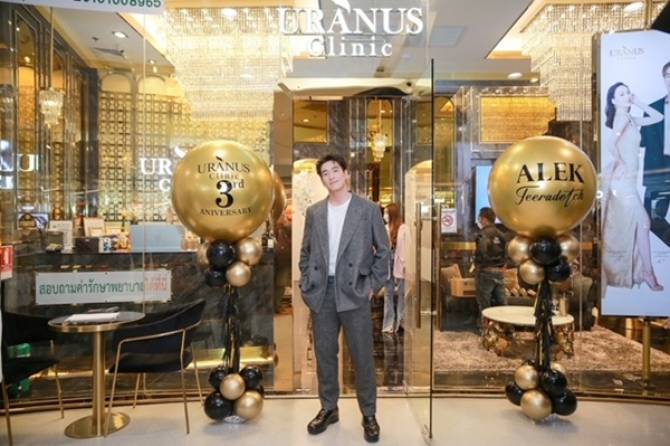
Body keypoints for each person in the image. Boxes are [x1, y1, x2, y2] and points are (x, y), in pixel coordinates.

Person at [299, 154, 389, 443]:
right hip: (322, 291)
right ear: (322, 179)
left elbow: (383, 251)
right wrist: (307, 282)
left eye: (335, 170)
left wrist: (372, 285)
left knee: (362, 356)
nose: (331, 176)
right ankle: (329, 408)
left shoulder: (367, 209)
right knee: (325, 354)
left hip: (354, 290)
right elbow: (305, 252)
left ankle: (369, 413)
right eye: (325, 173)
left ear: (346, 173)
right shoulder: (314, 212)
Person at [602, 82, 664, 291]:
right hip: (622, 184)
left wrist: (638, 102)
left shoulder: (629, 118)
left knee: (641, 225)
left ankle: (646, 272)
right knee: (644, 222)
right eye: (622, 94)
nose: (627, 95)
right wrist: (620, 162)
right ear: (613, 100)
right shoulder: (621, 119)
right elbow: (610, 143)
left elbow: (658, 117)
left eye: (628, 92)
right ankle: (648, 272)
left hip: (628, 182)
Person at [640, 61, 670, 247]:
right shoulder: (653, 110)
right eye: (668, 75)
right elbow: (642, 141)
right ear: (664, 79)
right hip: (659, 171)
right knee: (651, 217)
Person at [474, 207, 507, 316]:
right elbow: (506, 253)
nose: (479, 221)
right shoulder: (501, 234)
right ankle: (504, 325)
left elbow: (482, 253)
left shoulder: (482, 234)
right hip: (499, 273)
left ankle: (486, 325)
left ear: (484, 219)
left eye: (480, 218)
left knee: (484, 306)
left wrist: (478, 265)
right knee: (501, 304)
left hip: (485, 272)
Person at [382, 203, 408, 334]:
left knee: (402, 294)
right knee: (388, 295)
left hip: (401, 264)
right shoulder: (385, 228)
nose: (385, 215)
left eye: (387, 213)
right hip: (388, 264)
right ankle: (388, 325)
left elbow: (407, 248)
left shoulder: (404, 229)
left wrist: (406, 265)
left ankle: (401, 323)